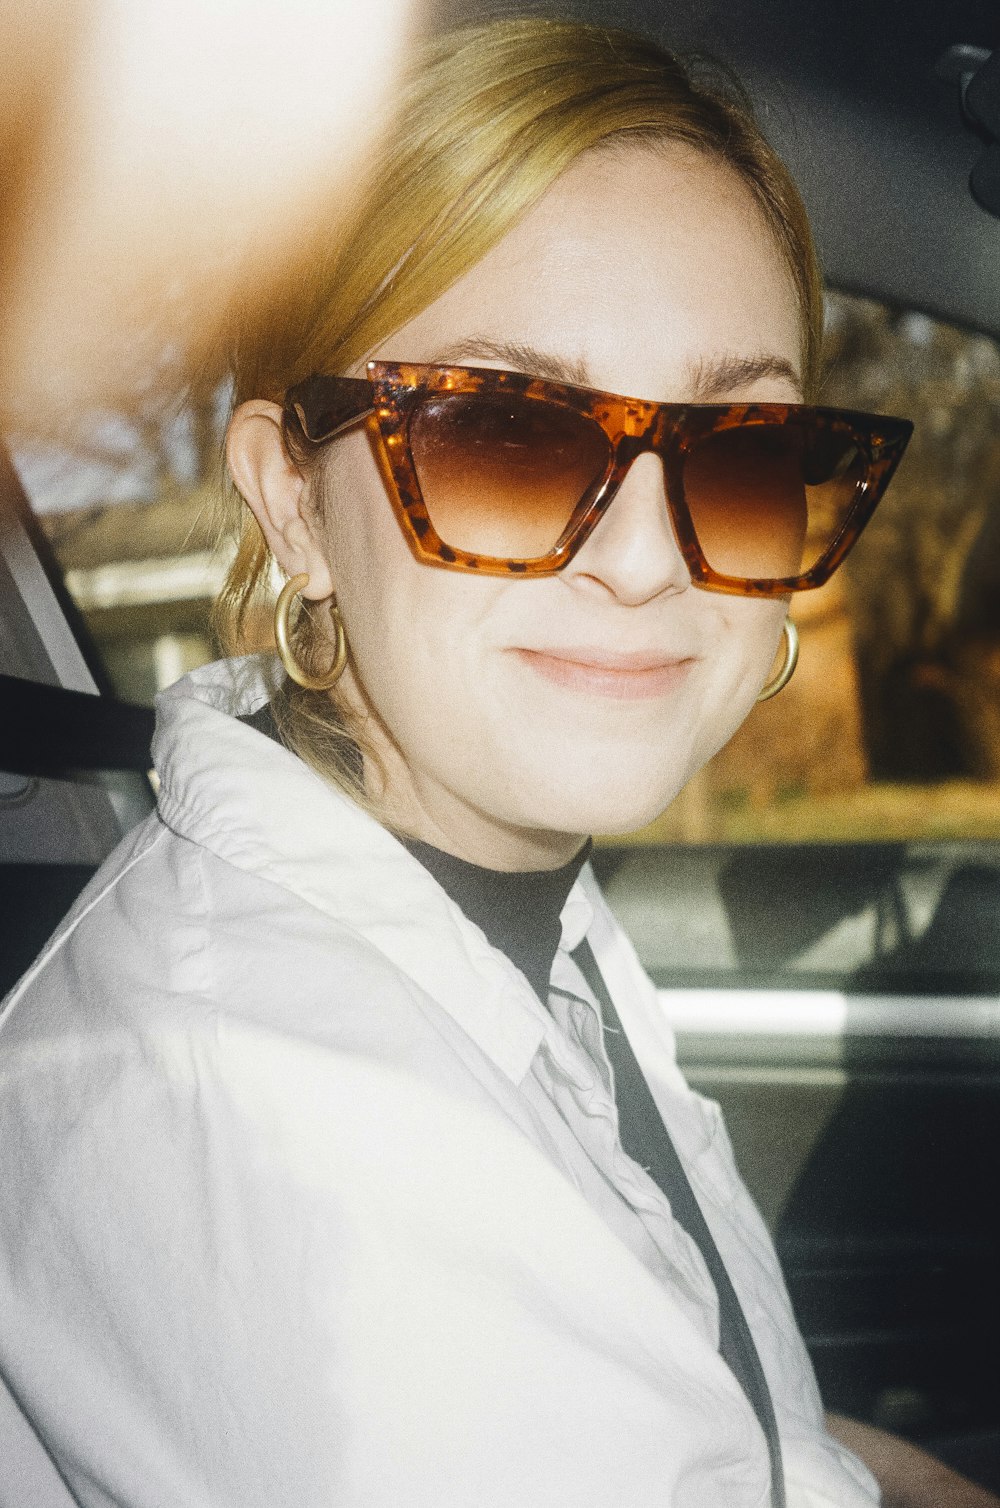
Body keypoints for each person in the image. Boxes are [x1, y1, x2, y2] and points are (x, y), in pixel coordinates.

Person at [0, 15, 984, 1508]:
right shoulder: (268, 1122)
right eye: (504, 440)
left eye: (738, 453)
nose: (653, 563)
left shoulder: (485, 896)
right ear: (295, 505)